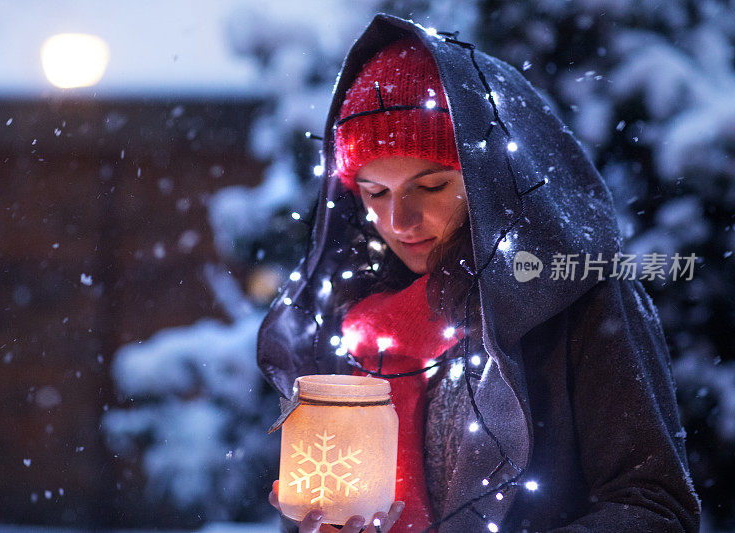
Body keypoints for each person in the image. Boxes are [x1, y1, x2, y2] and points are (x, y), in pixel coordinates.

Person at [258, 13, 701, 533]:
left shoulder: (580, 302)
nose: (398, 222)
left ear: (494, 180)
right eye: (376, 193)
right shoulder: (361, 329)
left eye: (432, 186)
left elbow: (656, 508)